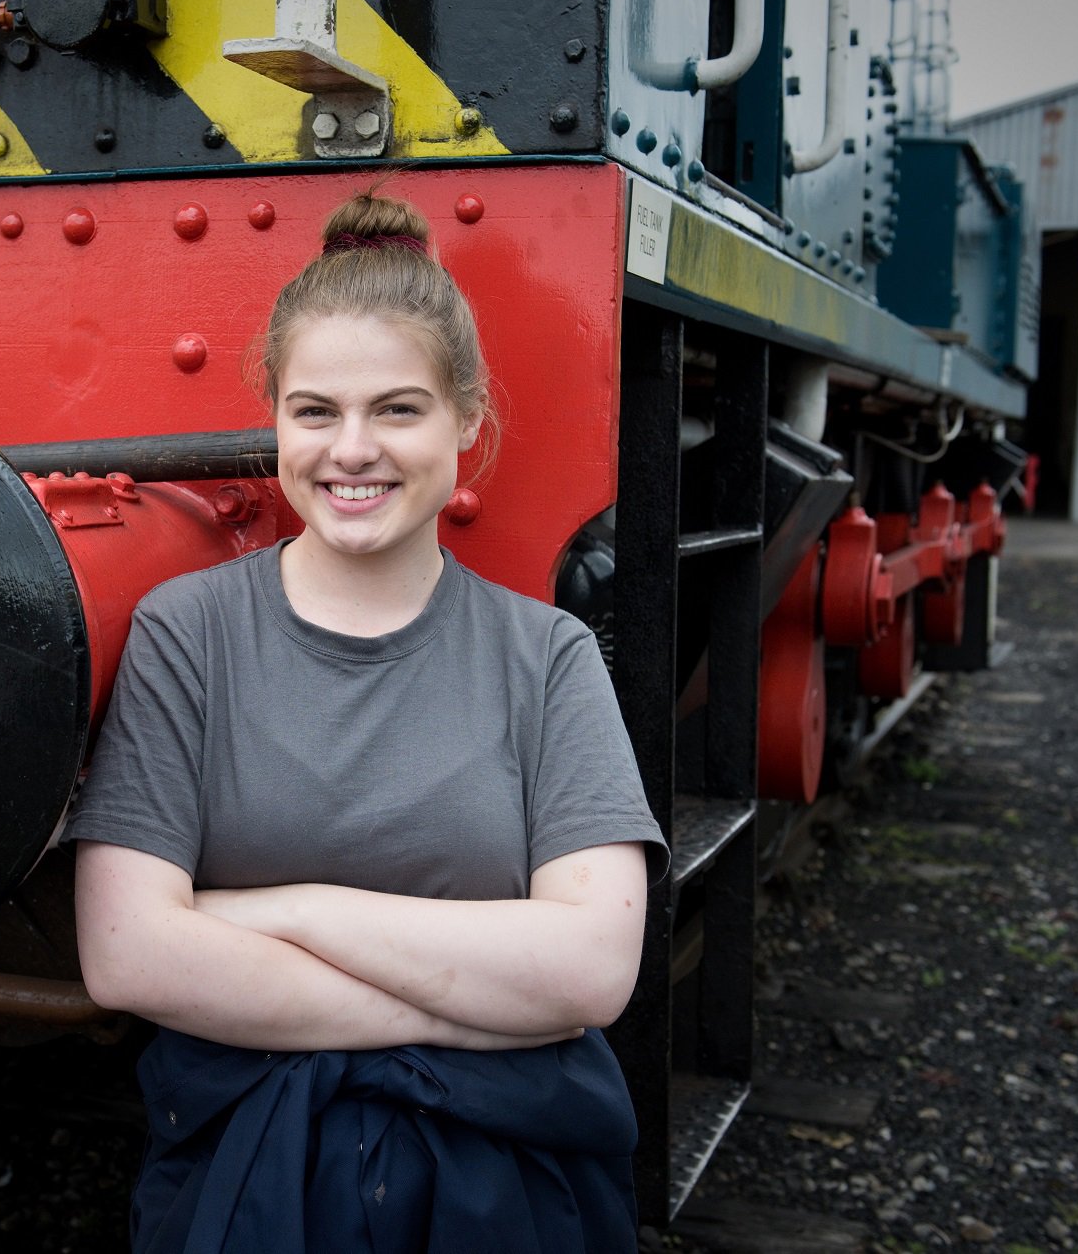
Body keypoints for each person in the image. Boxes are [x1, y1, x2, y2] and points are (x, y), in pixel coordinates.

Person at [63, 189, 669, 1253]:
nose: (351, 450)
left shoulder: (546, 657)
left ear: (465, 422)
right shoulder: (187, 634)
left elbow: (589, 972)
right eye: (314, 411)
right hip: (240, 1171)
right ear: (276, 420)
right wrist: (468, 1007)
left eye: (396, 408)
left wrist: (277, 908)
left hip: (506, 1190)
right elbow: (125, 955)